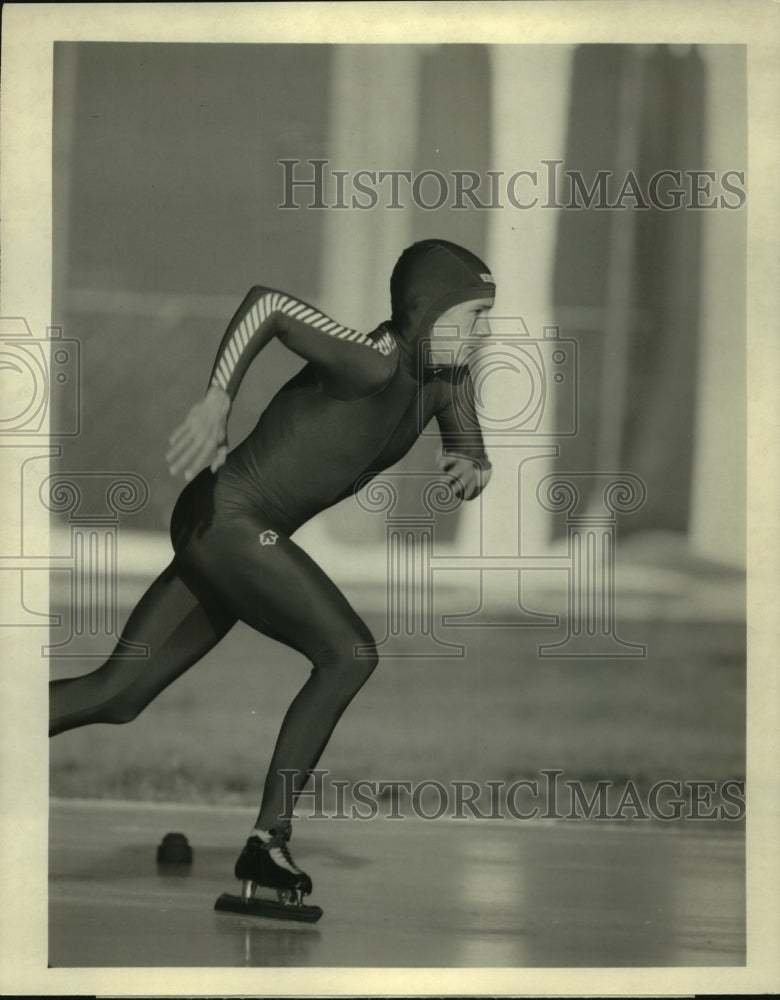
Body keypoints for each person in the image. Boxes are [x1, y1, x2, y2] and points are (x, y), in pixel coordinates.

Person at [49, 238, 496, 914]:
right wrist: (216, 400)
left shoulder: (447, 380)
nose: (484, 332)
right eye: (472, 317)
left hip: (234, 533)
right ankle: (268, 838)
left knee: (117, 694)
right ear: (423, 314)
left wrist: (475, 469)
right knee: (349, 652)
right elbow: (270, 305)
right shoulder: (373, 361)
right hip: (227, 519)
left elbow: (468, 443)